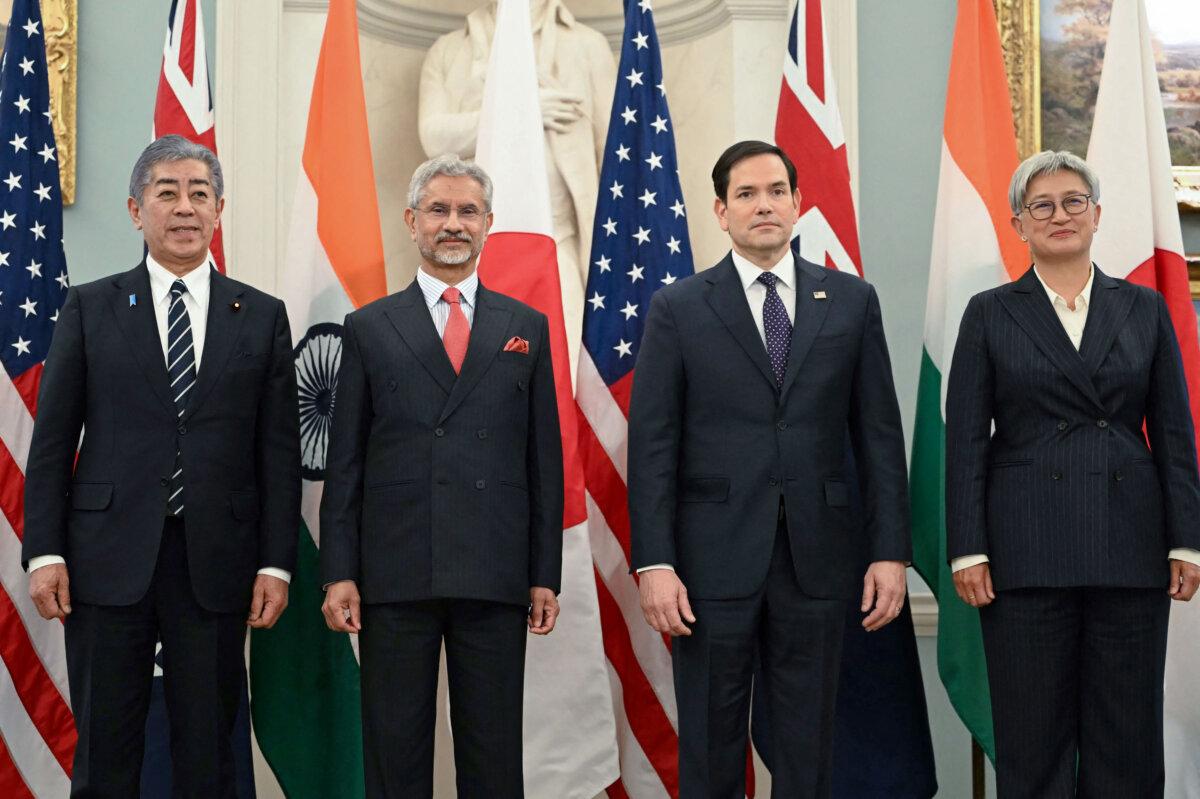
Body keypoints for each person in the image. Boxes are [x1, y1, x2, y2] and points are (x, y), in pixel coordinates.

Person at [628, 140, 911, 798]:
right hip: (708, 563)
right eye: (748, 194)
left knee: (809, 743)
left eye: (777, 191)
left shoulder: (848, 300)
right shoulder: (679, 307)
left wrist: (889, 549)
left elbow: (878, 434)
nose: (764, 205)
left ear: (798, 203)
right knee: (710, 739)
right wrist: (655, 561)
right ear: (721, 211)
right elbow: (652, 444)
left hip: (820, 557)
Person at [22, 135, 300, 797]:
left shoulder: (260, 316)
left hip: (216, 562)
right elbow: (53, 443)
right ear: (135, 208)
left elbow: (278, 453)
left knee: (208, 751)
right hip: (106, 560)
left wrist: (275, 561)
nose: (184, 207)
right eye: (167, 192)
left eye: (199, 193)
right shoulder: (90, 307)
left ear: (219, 209)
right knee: (107, 750)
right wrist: (44, 552)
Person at [946, 149, 1200, 798]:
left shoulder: (1142, 309)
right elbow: (968, 440)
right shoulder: (989, 313)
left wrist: (1186, 538)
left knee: (1127, 736)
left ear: (1096, 216)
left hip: (1129, 546)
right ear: (1019, 225)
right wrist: (967, 547)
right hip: (1024, 551)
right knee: (1034, 739)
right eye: (1042, 206)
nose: (1059, 215)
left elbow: (1173, 431)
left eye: (1072, 202)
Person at [319, 154, 564, 798]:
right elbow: (345, 463)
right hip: (395, 572)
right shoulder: (368, 326)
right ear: (411, 221)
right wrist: (340, 571)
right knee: (394, 754)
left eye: (467, 212)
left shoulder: (526, 327)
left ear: (488, 223)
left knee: (493, 753)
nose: (452, 224)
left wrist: (544, 573)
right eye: (438, 210)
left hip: (495, 570)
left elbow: (544, 462)